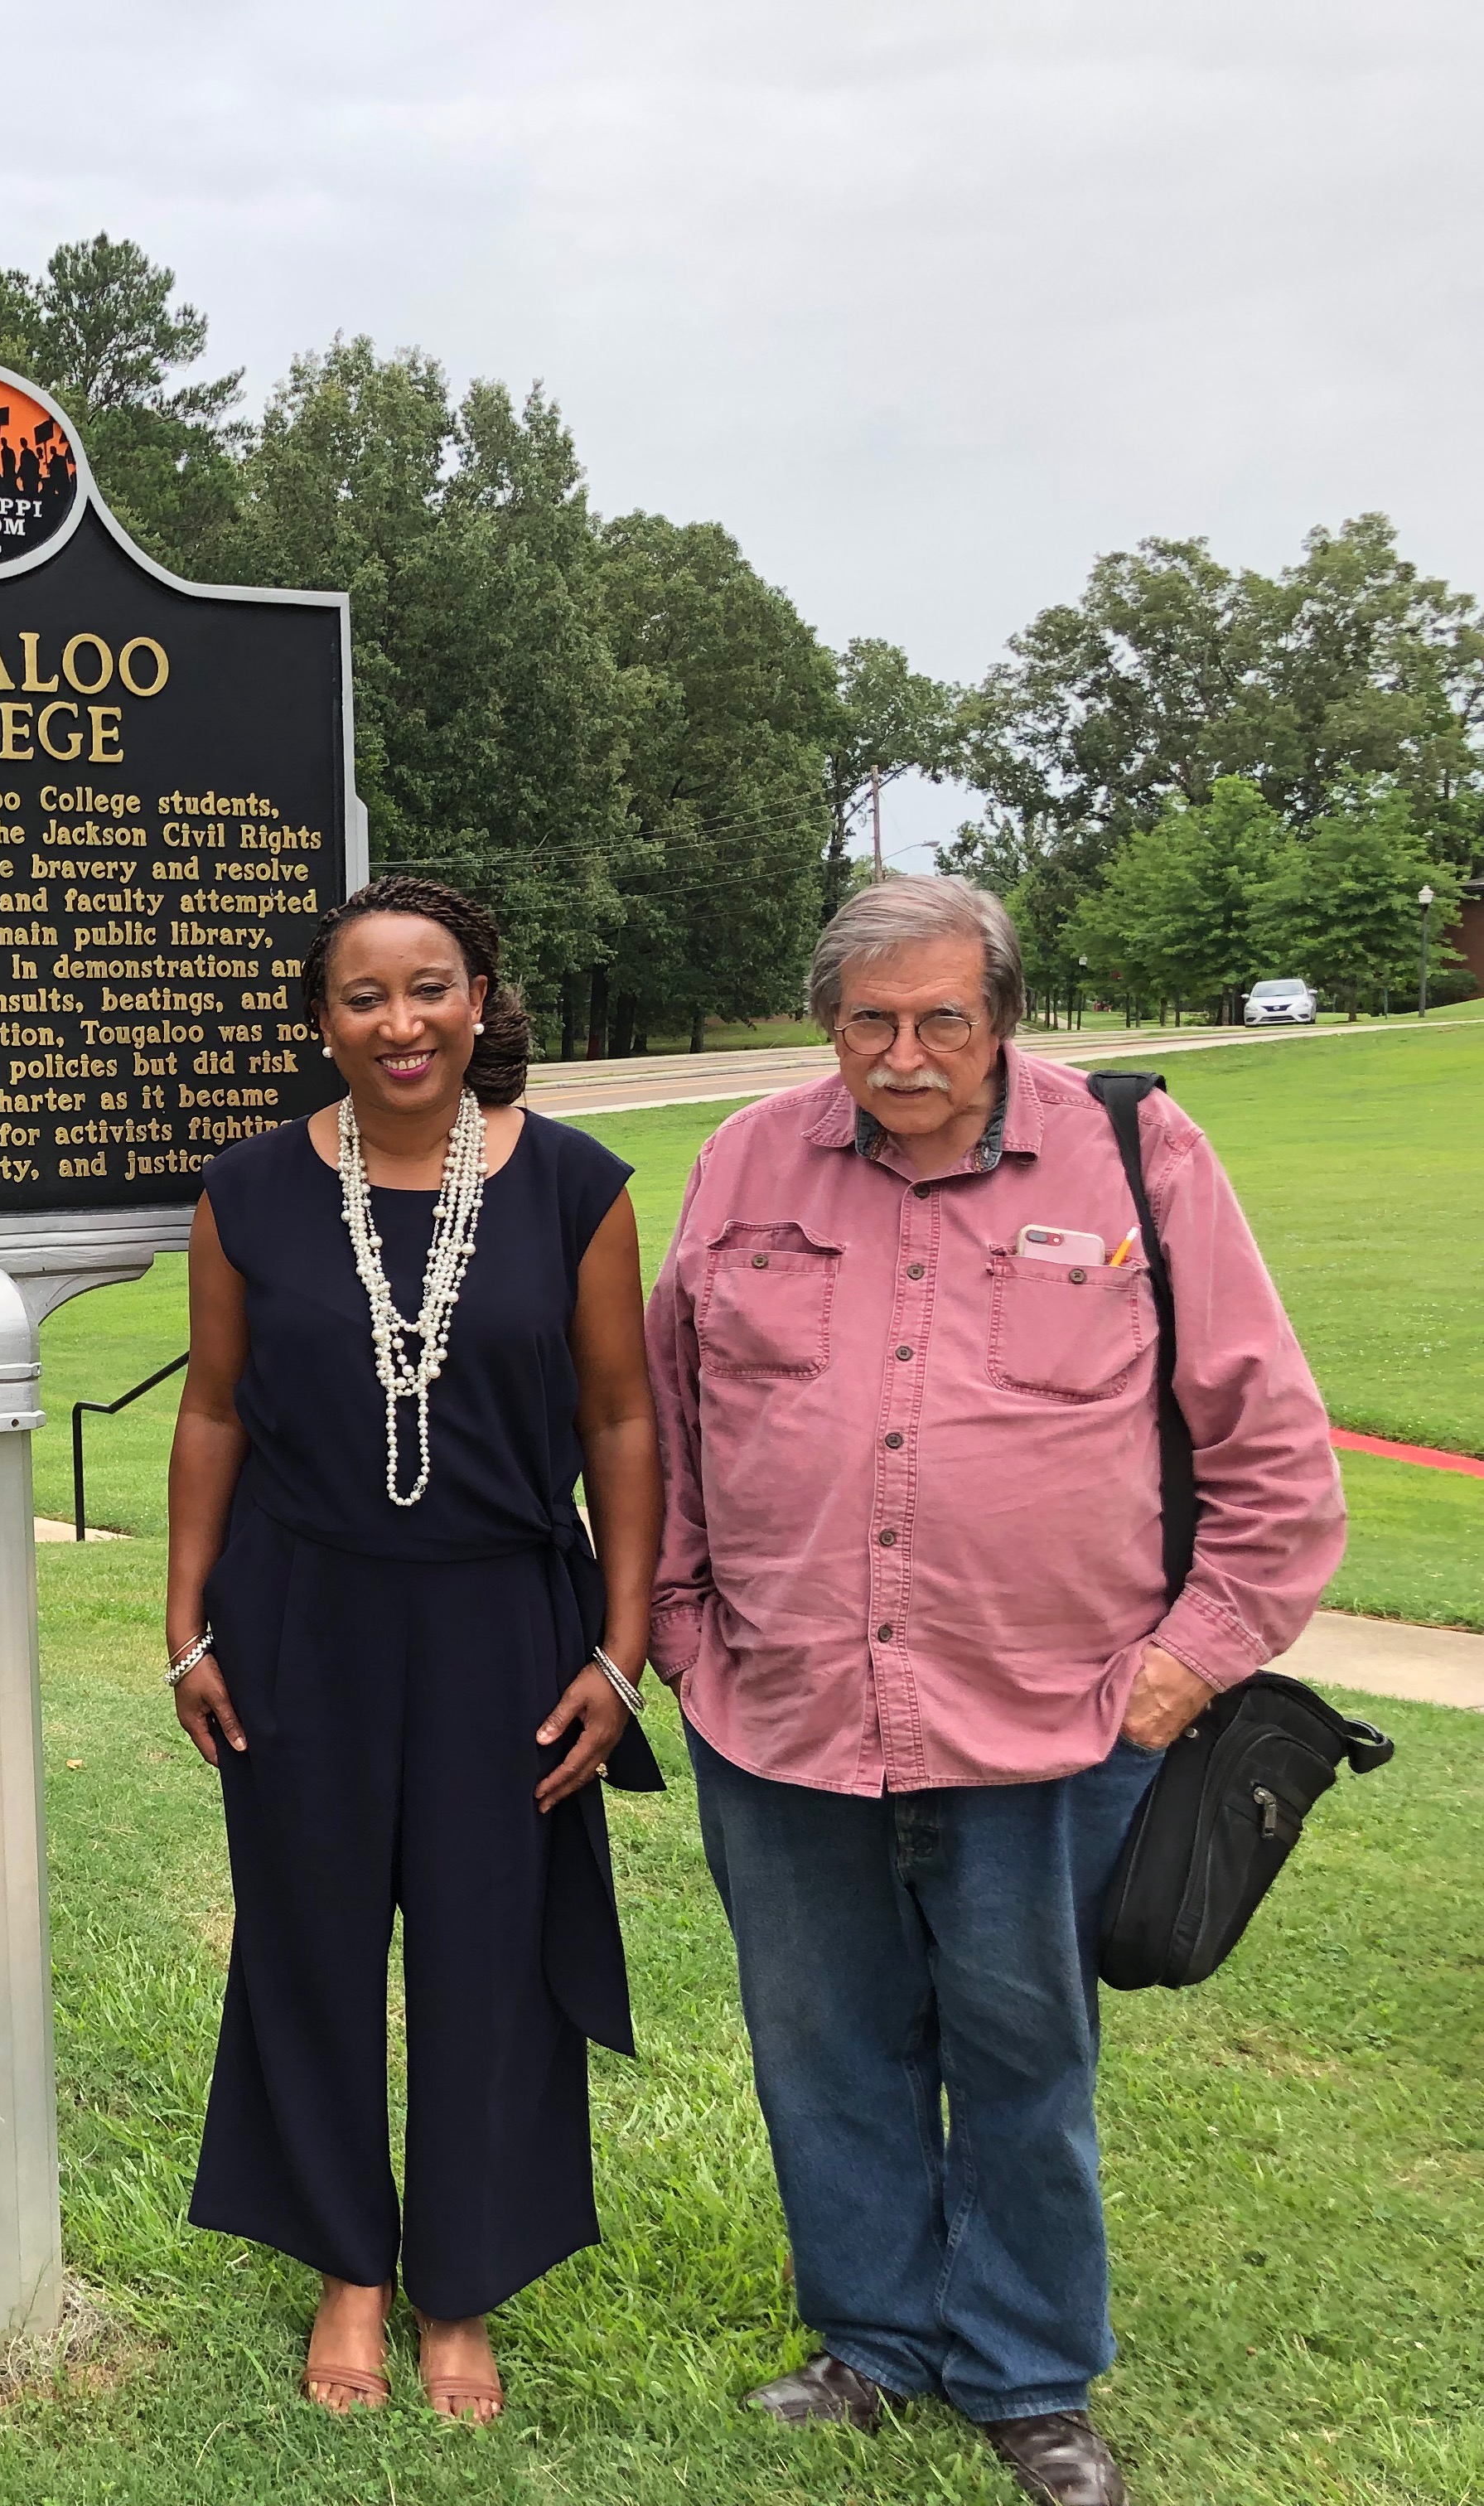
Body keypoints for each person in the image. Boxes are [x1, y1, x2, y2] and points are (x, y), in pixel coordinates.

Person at [645, 876, 1346, 2506]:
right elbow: (674, 1418)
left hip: (1054, 1713)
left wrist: (1183, 1669)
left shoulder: (1137, 1156)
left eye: (941, 1020)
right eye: (870, 1021)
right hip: (781, 1701)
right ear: (829, 1021)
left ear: (1003, 1018)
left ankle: (1032, 2379)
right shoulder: (748, 1157)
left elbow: (1266, 1436)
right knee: (822, 2038)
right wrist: (680, 1627)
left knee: (1028, 2048)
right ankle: (873, 2345)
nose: (904, 1055)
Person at [165, 874, 664, 2422]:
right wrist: (185, 1631)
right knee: (308, 1947)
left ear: (480, 1000)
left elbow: (619, 1419)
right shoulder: (246, 1190)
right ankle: (348, 2272)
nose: (402, 1023)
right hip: (301, 1615)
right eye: (365, 996)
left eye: (430, 987)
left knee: (489, 1957)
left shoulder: (575, 1186)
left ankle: (463, 2287)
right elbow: (214, 1413)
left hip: (505, 1624)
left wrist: (622, 1650)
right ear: (322, 1022)